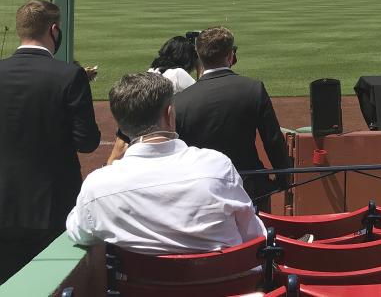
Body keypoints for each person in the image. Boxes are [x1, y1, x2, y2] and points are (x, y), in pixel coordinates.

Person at [66, 73, 267, 254]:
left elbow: (79, 230)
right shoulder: (216, 166)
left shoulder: (98, 186)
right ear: (169, 114)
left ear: (122, 127)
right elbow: (252, 234)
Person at [0, 0, 99, 283]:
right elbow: (87, 142)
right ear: (54, 30)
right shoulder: (69, 75)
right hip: (53, 203)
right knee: (48, 283)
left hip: (3, 201)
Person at [174, 27, 291, 213]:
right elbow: (273, 140)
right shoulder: (253, 89)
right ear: (230, 56)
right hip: (249, 186)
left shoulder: (180, 101)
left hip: (202, 190)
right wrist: (284, 177)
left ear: (199, 56)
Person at [106, 35, 200, 165]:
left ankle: (109, 167)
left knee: (120, 147)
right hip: (160, 123)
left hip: (137, 115)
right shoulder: (178, 73)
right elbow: (202, 93)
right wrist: (201, 67)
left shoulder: (152, 70)